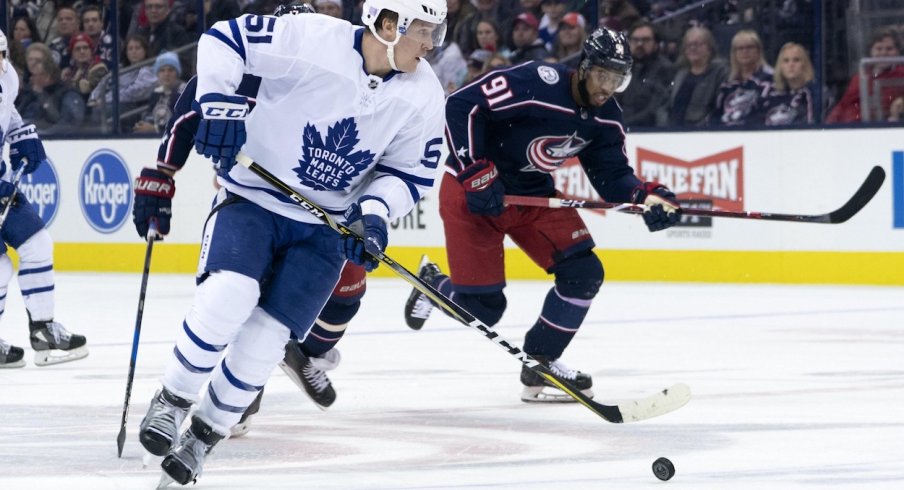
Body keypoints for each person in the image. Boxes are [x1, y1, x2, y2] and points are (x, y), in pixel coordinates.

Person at [136, 0, 447, 484]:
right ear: (389, 23)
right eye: (423, 31)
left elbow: (410, 171)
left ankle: (204, 436)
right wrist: (218, 105)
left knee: (265, 340)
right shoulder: (313, 38)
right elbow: (224, 39)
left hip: (327, 228)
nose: (431, 44)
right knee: (228, 296)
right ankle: (172, 400)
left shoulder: (424, 93)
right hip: (254, 201)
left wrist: (375, 214)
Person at [404, 27, 682, 403]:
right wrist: (475, 171)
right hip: (475, 195)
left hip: (532, 198)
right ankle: (435, 284)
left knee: (584, 273)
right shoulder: (537, 81)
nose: (606, 88)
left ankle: (540, 362)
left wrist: (645, 195)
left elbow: (612, 175)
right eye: (602, 76)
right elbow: (462, 105)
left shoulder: (607, 116)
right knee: (483, 308)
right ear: (584, 67)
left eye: (617, 80)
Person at [132, 2, 360, 437]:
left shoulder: (335, 79)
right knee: (239, 297)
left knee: (347, 287)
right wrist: (161, 175)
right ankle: (218, 395)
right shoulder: (240, 66)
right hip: (251, 202)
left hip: (315, 214)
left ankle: (301, 354)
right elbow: (188, 115)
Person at [0, 30, 89, 368]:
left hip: (1, 181)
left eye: (1, 54)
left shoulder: (8, 77)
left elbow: (7, 114)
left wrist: (22, 135)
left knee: (38, 245)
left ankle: (44, 329)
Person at [826, 27, 904, 123]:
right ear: (871, 51)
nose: (884, 53)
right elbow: (842, 106)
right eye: (879, 49)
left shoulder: (902, 74)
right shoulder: (859, 78)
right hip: (851, 129)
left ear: (898, 52)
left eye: (889, 49)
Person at [666, 26, 728, 127]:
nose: (693, 48)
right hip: (673, 131)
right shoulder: (680, 74)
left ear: (709, 48)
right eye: (689, 45)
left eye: (698, 44)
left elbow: (718, 107)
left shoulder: (720, 73)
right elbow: (667, 104)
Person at [617, 20, 674, 128]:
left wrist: (624, 124)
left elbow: (655, 109)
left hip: (647, 131)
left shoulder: (665, 69)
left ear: (656, 44)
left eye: (646, 40)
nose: (639, 44)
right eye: (635, 40)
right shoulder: (621, 68)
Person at [712, 29, 773, 126]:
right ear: (734, 53)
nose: (745, 51)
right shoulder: (727, 84)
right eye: (740, 48)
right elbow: (717, 114)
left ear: (758, 50)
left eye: (749, 47)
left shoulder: (770, 78)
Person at [760, 42, 817, 126]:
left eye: (796, 60)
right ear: (781, 66)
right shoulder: (770, 94)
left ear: (805, 64)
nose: (791, 65)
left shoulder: (812, 93)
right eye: (786, 61)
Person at [132, 52, 187, 133]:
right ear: (157, 74)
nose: (166, 74)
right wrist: (143, 124)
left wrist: (155, 129)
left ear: (177, 73)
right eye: (162, 70)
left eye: (170, 70)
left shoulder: (185, 93)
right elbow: (151, 115)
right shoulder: (156, 93)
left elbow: (182, 123)